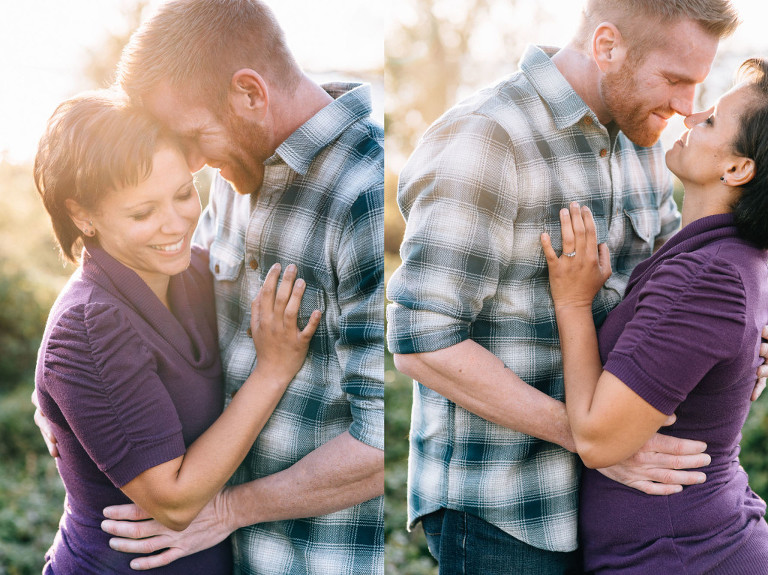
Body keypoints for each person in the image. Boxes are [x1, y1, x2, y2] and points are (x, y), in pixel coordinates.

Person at [386, 1, 768, 572]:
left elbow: (674, 289)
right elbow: (421, 341)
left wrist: (739, 353)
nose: (687, 107)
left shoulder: (645, 139)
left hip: (618, 515)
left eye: (698, 84)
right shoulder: (486, 138)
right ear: (607, 46)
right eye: (673, 80)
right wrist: (596, 440)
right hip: (507, 509)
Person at [52, 1, 383, 573]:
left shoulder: (364, 194)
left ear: (250, 93)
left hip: (313, 558)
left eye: (191, 137)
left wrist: (231, 509)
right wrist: (66, 395)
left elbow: (381, 442)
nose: (190, 165)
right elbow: (138, 291)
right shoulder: (236, 168)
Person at [33, 90, 318, 574]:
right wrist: (272, 372)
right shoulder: (89, 326)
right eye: (142, 213)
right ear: (82, 215)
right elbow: (176, 501)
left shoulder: (196, 274)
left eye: (184, 194)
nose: (176, 224)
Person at [542, 57, 768, 573]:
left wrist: (573, 303)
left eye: (712, 119)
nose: (691, 115)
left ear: (737, 169)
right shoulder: (734, 258)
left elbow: (597, 439)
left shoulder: (708, 276)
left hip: (686, 556)